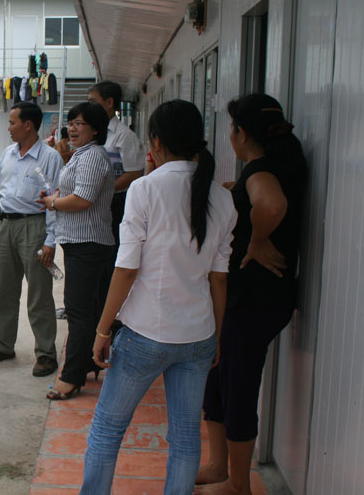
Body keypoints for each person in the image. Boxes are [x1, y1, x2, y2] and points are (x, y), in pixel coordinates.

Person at [80, 100, 237, 494]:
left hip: (145, 334)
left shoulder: (144, 189)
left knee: (107, 429)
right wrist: (216, 335)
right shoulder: (222, 198)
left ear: (157, 143)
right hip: (198, 336)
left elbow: (127, 268)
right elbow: (219, 280)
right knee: (185, 439)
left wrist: (102, 330)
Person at [196, 94, 307, 495]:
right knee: (219, 376)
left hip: (254, 299)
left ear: (240, 133)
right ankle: (217, 466)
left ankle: (237, 484)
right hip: (258, 298)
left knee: (237, 385)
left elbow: (271, 204)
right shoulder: (277, 166)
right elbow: (265, 195)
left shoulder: (261, 170)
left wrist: (257, 240)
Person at [0, 101, 63, 377]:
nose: (9, 128)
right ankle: (3, 344)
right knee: (6, 291)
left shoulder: (50, 158)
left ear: (28, 125)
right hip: (7, 228)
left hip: (35, 229)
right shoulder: (7, 154)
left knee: (39, 294)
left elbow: (55, 200)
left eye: (12, 122)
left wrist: (50, 240)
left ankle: (46, 354)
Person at [38, 103, 114, 400]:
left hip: (88, 244)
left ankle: (71, 377)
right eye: (70, 123)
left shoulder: (93, 155)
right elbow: (77, 194)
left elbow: (83, 199)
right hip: (81, 241)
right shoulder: (81, 155)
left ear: (96, 128)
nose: (72, 128)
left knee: (79, 312)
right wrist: (55, 198)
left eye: (80, 123)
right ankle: (86, 365)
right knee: (89, 310)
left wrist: (53, 204)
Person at [88, 81, 145, 256]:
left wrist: (105, 190)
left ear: (109, 102)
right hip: (95, 203)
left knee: (112, 252)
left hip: (116, 204)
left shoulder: (124, 136)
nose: (89, 107)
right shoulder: (93, 133)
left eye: (93, 102)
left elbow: (134, 174)